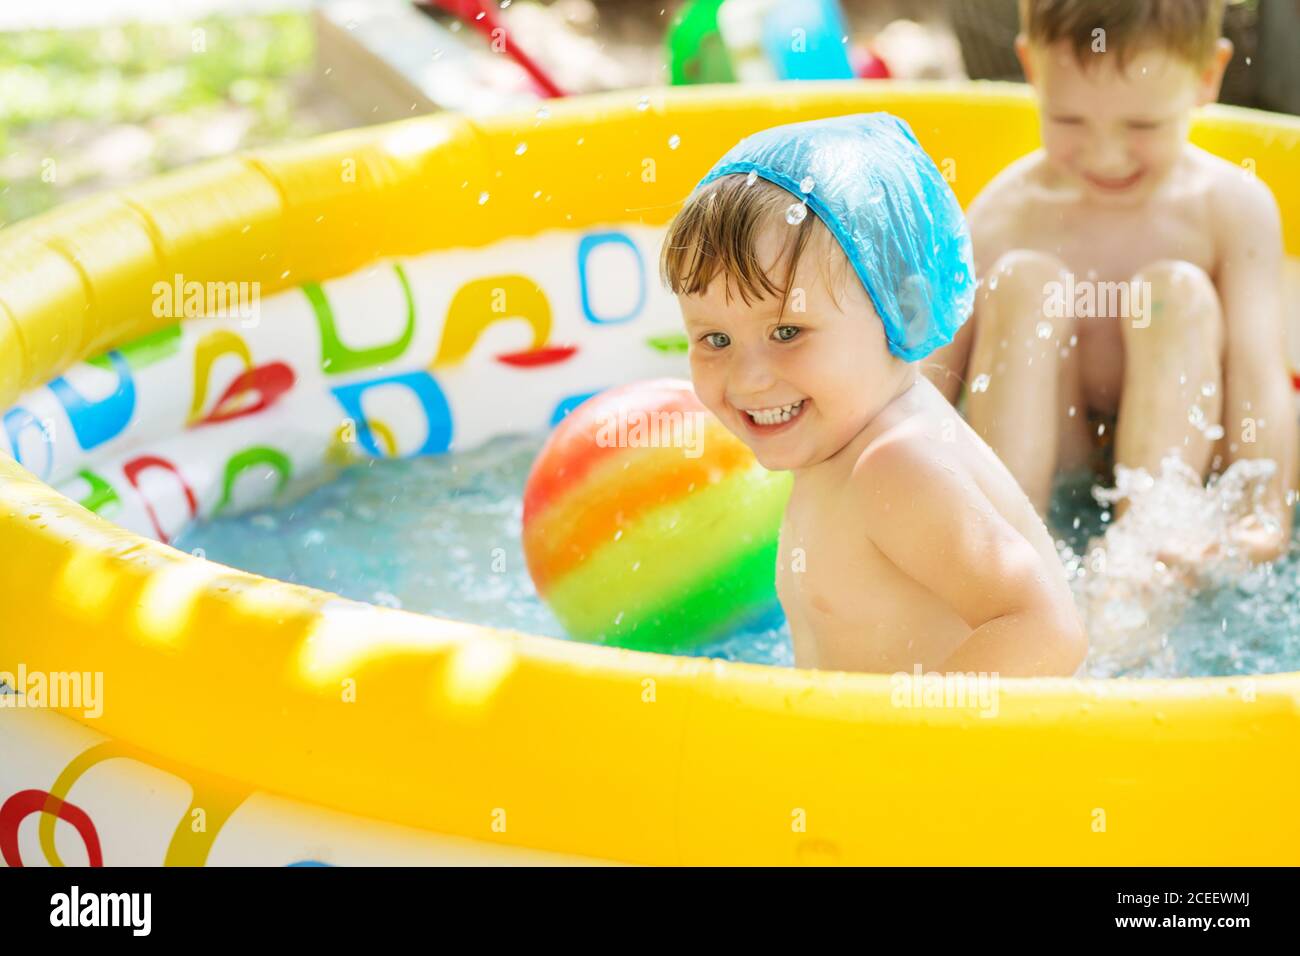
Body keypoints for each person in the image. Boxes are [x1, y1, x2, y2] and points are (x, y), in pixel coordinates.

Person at [660, 114, 1086, 676]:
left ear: (902, 311)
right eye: (715, 339)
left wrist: (901, 746)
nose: (748, 379)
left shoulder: (896, 465)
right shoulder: (841, 438)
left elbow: (1046, 630)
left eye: (787, 332)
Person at [928, 0, 1296, 561]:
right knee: (1024, 282)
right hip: (1054, 470)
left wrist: (1264, 512)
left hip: (1181, 473)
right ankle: (1010, 544)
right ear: (1031, 67)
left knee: (1175, 294)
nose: (1106, 155)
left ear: (1207, 77)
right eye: (1070, 120)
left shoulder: (1231, 208)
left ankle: (1147, 549)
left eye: (1143, 125)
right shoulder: (1004, 215)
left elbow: (1257, 374)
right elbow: (925, 384)